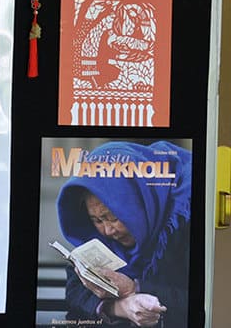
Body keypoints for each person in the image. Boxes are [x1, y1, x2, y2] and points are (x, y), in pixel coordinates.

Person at [56, 140, 191, 327]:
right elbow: (74, 291)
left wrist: (134, 287)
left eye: (112, 217)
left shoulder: (183, 223)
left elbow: (208, 297)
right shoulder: (98, 237)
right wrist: (120, 307)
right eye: (97, 220)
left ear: (139, 202)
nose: (108, 231)